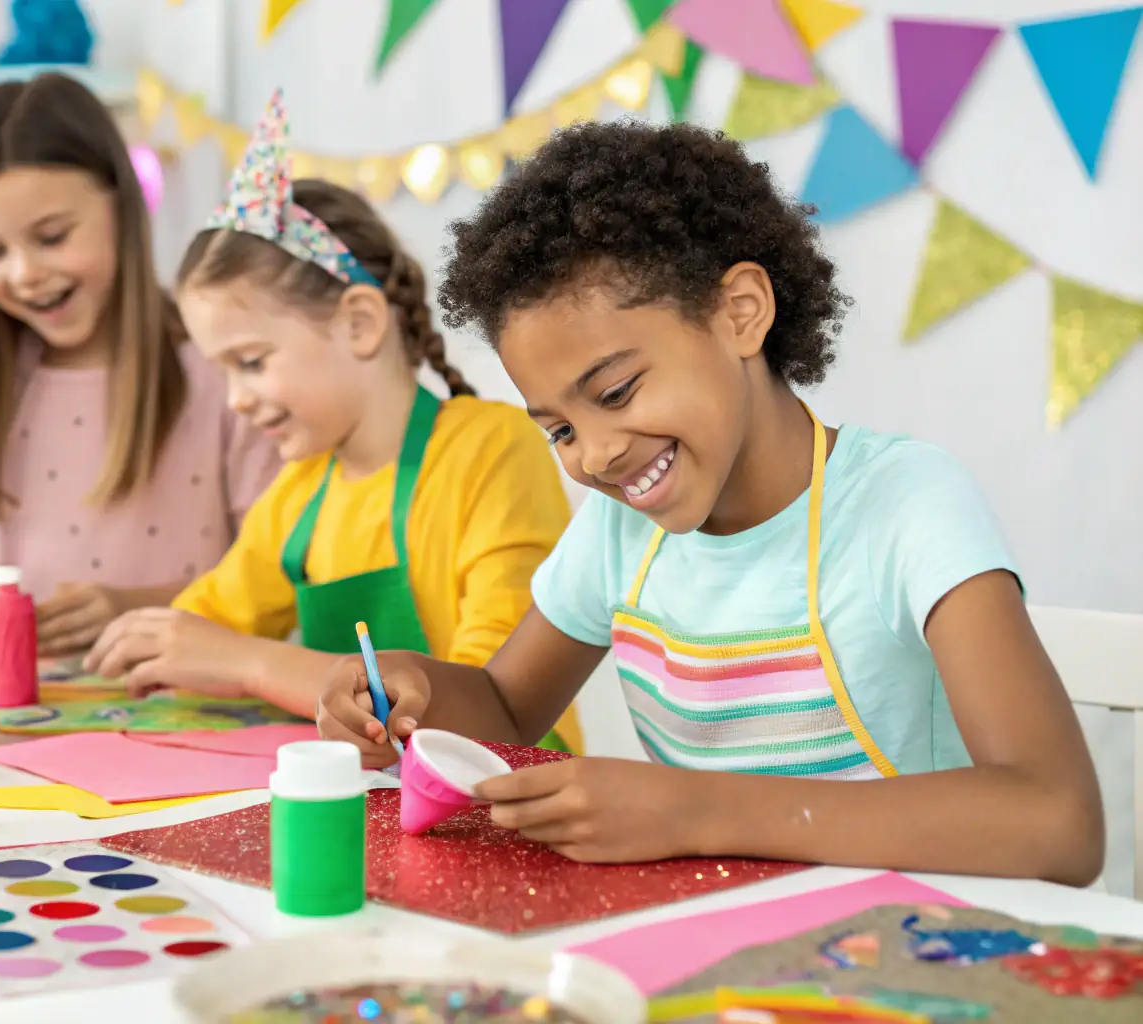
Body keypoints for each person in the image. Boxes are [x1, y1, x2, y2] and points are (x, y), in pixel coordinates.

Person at [316, 119, 1105, 885]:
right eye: (558, 429)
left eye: (616, 390)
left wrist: (695, 809)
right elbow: (504, 708)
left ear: (740, 312)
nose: (593, 455)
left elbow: (1057, 822)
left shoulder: (902, 506)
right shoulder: (620, 533)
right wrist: (414, 688)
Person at [84, 90, 579, 751]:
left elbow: (489, 701)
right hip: (377, 809)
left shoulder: (492, 451)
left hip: (511, 808)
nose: (234, 398)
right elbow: (199, 632)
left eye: (252, 362)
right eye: (222, 372)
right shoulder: (298, 496)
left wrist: (250, 663)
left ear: (359, 322)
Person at [0, 74, 281, 654]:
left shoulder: (219, 373)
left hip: (183, 715)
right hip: (4, 729)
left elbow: (281, 589)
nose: (24, 272)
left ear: (122, 206)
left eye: (51, 236)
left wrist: (136, 609)